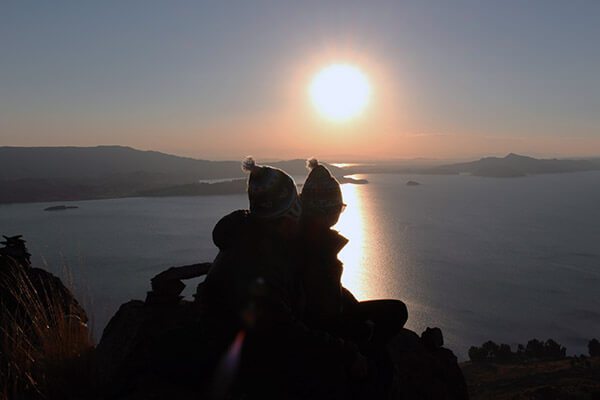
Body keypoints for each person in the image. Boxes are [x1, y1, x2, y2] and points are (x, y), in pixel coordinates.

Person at [199, 157, 367, 399]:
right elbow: (285, 334)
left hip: (238, 349)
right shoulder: (260, 262)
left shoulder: (252, 239)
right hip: (248, 366)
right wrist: (346, 354)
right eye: (297, 206)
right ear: (290, 212)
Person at [299, 158, 408, 346]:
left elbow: (332, 291)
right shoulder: (317, 248)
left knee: (394, 310)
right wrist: (362, 331)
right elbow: (323, 314)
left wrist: (352, 305)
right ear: (328, 211)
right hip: (324, 336)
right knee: (396, 312)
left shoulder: (305, 236)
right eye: (339, 208)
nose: (339, 214)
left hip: (321, 324)